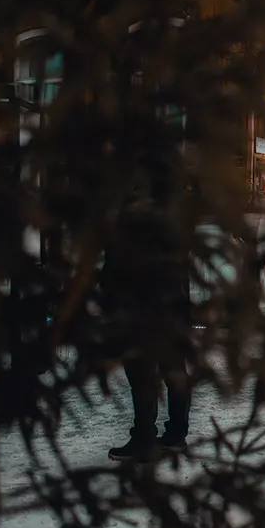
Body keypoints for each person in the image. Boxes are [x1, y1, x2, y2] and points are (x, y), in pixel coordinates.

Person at [102, 187, 192, 463]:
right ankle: (175, 434)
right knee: (172, 370)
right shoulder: (171, 213)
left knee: (142, 373)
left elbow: (120, 266)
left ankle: (144, 438)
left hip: (142, 307)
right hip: (170, 304)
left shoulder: (132, 217)